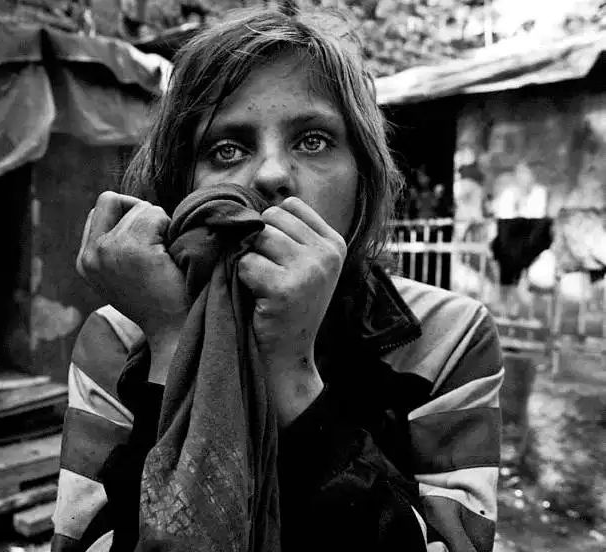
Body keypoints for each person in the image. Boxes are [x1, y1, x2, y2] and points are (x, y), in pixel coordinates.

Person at [53, 4, 504, 552]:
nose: (270, 175)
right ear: (180, 185)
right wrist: (173, 344)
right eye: (227, 149)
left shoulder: (447, 338)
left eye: (313, 140)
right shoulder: (118, 336)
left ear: (363, 176)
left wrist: (292, 373)